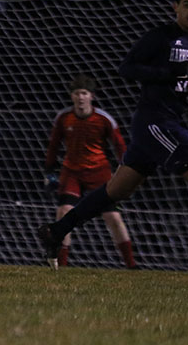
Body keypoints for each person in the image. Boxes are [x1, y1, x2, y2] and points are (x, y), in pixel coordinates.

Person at [38, 0, 188, 275]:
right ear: (175, 6)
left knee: (114, 192)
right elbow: (127, 67)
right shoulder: (160, 37)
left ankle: (55, 232)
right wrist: (165, 73)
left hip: (163, 124)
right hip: (155, 124)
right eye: (186, 5)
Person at [43, 73, 136, 269]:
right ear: (72, 96)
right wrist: (49, 171)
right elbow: (53, 146)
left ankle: (131, 265)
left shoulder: (104, 119)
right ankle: (63, 265)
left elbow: (119, 146)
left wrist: (127, 170)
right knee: (64, 211)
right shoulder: (64, 118)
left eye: (84, 93)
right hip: (72, 172)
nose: (80, 97)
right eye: (76, 93)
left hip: (99, 172)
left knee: (113, 217)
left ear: (91, 96)